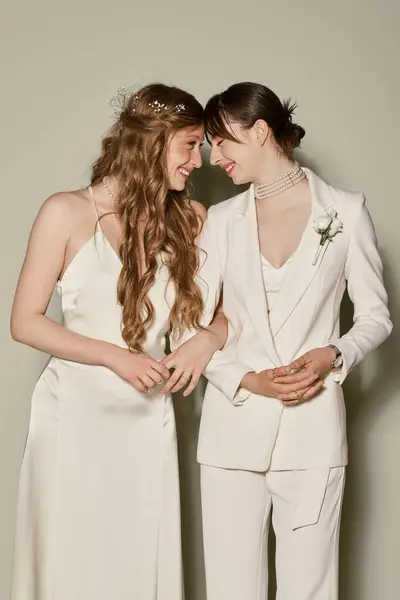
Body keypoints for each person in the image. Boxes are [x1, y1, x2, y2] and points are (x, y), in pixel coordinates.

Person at [164, 82, 392, 600]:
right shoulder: (221, 222)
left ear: (261, 131)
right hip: (231, 434)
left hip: (312, 433)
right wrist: (244, 379)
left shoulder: (347, 212)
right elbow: (187, 322)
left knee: (310, 590)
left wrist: (334, 353)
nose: (211, 155)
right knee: (230, 591)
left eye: (223, 142)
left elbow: (377, 317)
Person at [9, 83, 226, 600]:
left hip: (146, 419)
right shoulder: (65, 211)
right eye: (189, 145)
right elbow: (25, 321)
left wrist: (207, 340)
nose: (200, 160)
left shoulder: (192, 220)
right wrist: (113, 356)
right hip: (72, 420)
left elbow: (226, 314)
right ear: (153, 144)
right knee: (67, 562)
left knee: (136, 565)